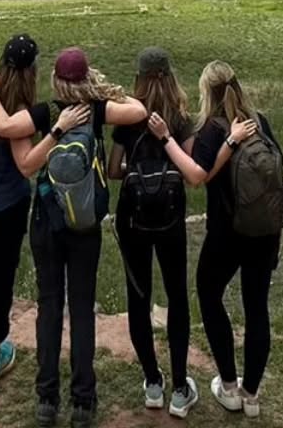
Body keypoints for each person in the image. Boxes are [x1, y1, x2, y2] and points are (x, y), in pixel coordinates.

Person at [0, 47, 146, 428]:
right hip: (84, 224)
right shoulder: (95, 112)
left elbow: (14, 144)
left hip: (46, 219)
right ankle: (83, 401)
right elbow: (139, 110)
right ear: (84, 78)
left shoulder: (45, 113)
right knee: (81, 307)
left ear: (56, 81)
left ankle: (46, 399)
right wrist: (100, 90)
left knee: (49, 306)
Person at [0, 34, 92, 393]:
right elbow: (27, 165)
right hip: (5, 206)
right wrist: (57, 132)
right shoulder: (18, 108)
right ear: (31, 70)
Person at [148, 61, 281, 419]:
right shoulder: (261, 122)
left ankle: (228, 383)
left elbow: (197, 176)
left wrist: (166, 138)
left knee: (208, 294)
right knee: (257, 308)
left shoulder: (212, 131)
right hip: (266, 232)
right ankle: (251, 396)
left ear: (208, 91)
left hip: (228, 232)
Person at [108, 46, 198, 418]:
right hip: (172, 220)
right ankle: (180, 388)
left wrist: (135, 165)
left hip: (134, 220)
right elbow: (191, 167)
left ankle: (152, 383)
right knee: (177, 298)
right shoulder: (179, 117)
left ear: (140, 77)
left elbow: (115, 170)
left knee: (138, 298)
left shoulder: (129, 117)